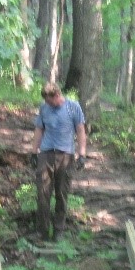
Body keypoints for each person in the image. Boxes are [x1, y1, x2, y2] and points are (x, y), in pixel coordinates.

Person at [32, 81, 87, 241]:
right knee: (43, 193)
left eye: (50, 101)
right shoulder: (44, 109)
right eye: (46, 102)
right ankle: (41, 231)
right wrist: (33, 152)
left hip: (66, 156)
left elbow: (81, 131)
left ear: (57, 95)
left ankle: (59, 231)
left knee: (62, 194)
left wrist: (81, 154)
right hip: (46, 154)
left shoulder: (73, 107)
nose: (48, 104)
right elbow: (39, 130)